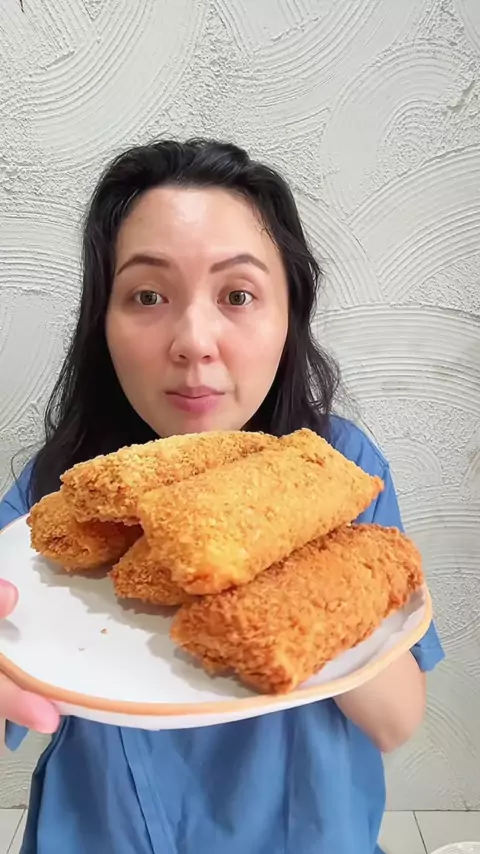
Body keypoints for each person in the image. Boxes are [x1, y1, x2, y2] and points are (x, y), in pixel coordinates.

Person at [0, 139, 444, 854]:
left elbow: (396, 723)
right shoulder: (61, 494)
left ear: (289, 312)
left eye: (238, 296)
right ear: (103, 320)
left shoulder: (340, 468)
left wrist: (300, 573)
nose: (194, 341)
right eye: (148, 296)